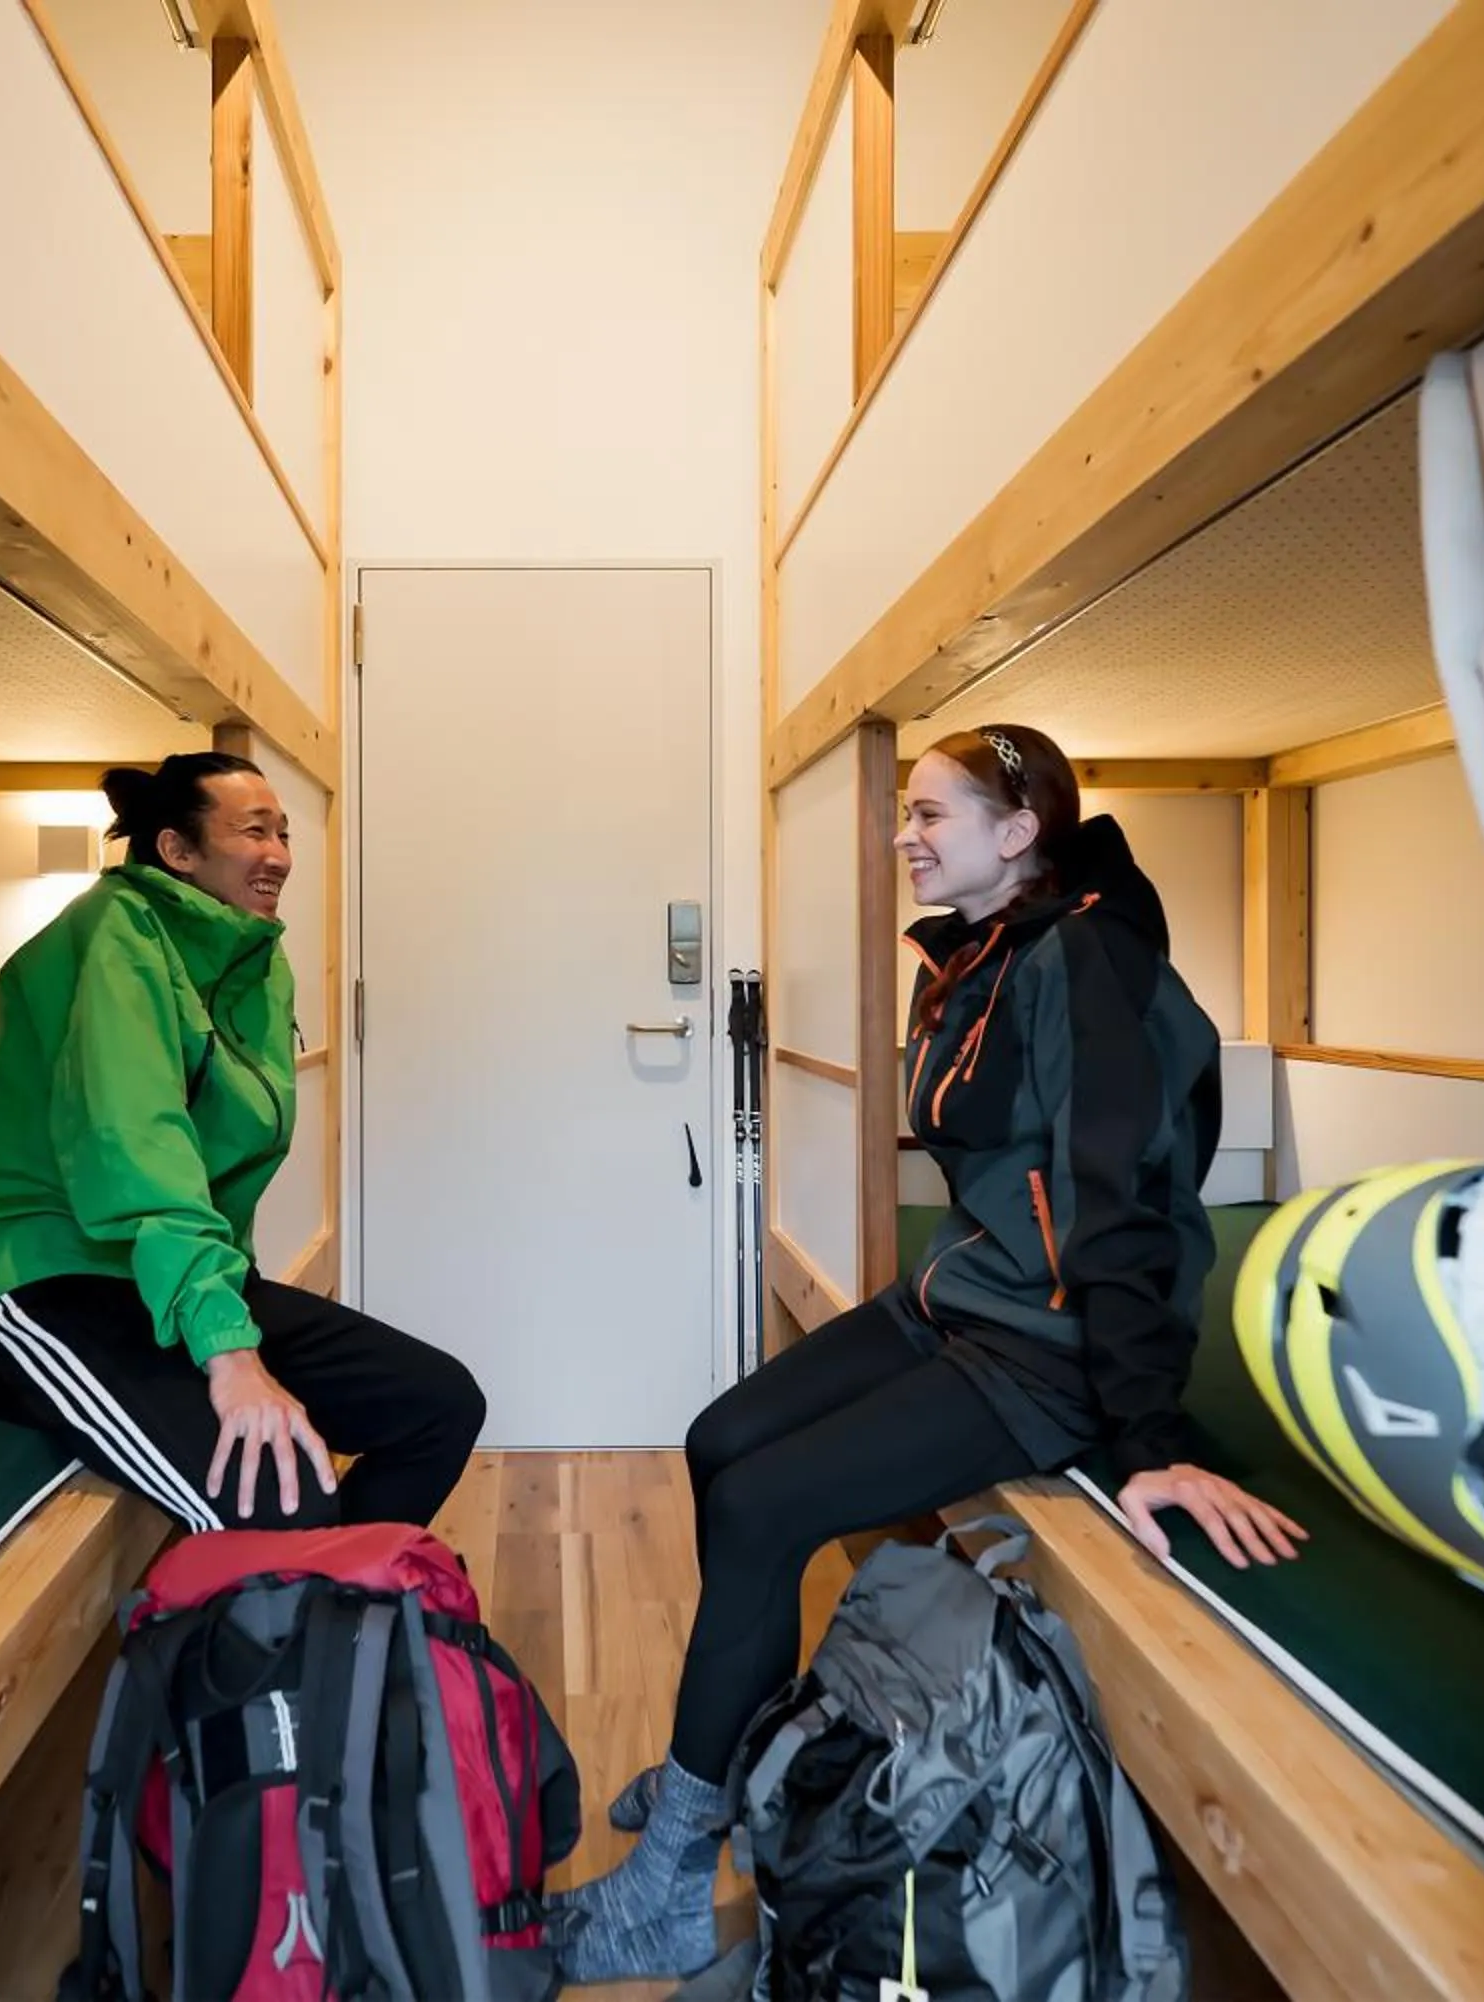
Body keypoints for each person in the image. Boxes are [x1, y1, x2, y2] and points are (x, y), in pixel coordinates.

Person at [554, 722, 1305, 1984]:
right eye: (907, 812)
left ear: (1018, 835)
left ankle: (676, 1879)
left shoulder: (1087, 961)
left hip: (1050, 1342)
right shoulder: (974, 954)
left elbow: (1114, 1201)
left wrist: (1149, 1444)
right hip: (966, 1292)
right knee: (718, 1439)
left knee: (758, 1503)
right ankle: (728, 1764)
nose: (905, 835)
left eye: (933, 815)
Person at [0, 750, 484, 1534]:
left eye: (284, 833)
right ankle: (287, 1626)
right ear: (176, 851)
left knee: (439, 1404)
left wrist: (223, 1303)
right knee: (281, 1496)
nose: (280, 855)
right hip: (43, 1276)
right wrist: (230, 1352)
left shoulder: (250, 958)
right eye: (255, 832)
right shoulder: (112, 938)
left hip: (166, 1273)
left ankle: (333, 1619)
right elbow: (135, 1147)